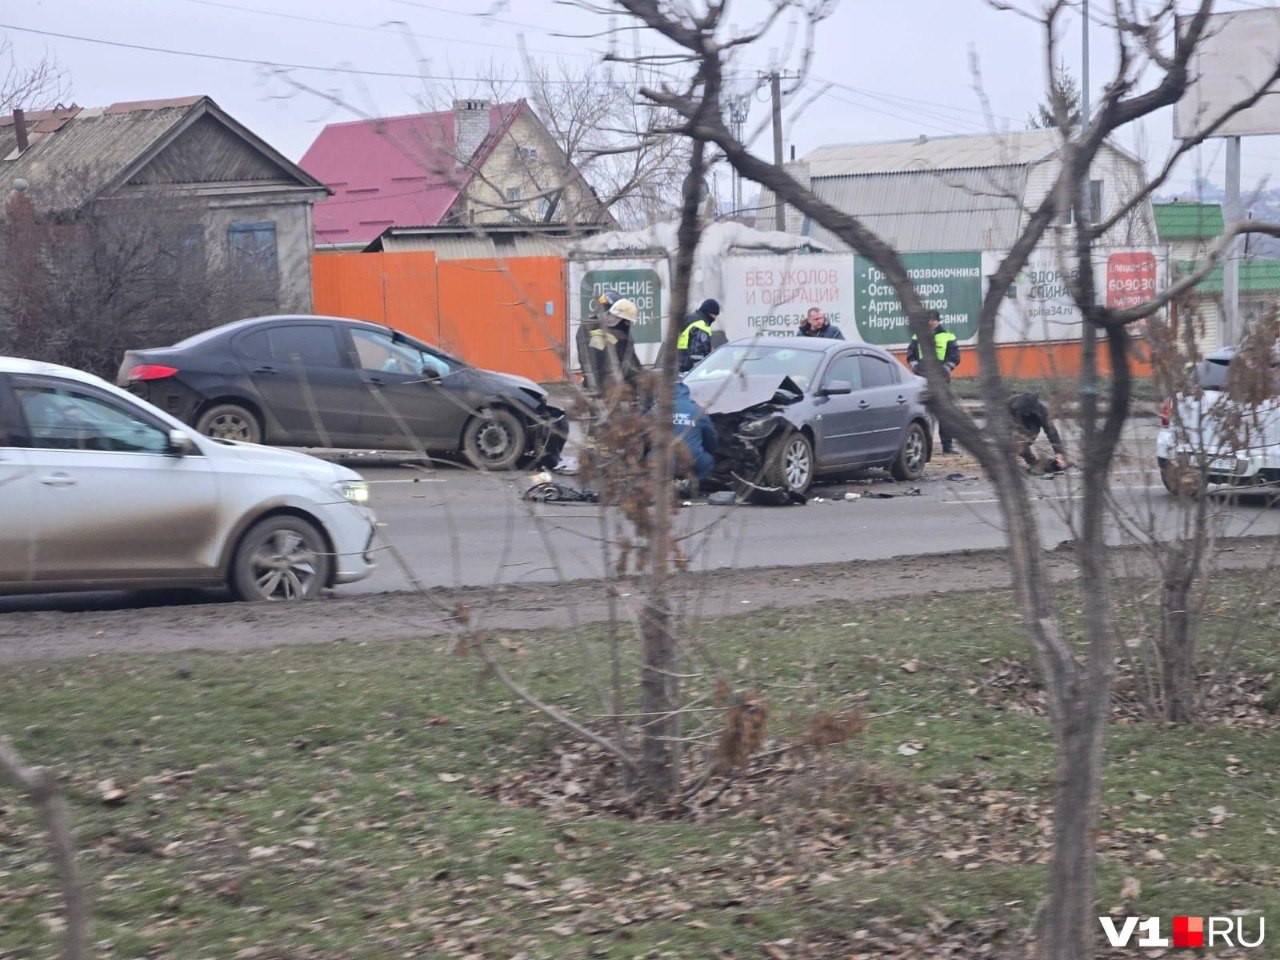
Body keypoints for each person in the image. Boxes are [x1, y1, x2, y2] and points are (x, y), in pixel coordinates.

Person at [906, 311, 961, 453]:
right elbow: (911, 355)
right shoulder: (918, 337)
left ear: (934, 320)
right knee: (925, 414)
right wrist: (916, 368)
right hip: (922, 381)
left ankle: (947, 446)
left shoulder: (948, 336)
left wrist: (944, 370)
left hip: (941, 382)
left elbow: (955, 358)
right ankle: (926, 447)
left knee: (945, 414)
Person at [577, 291, 641, 400]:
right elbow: (597, 362)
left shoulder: (617, 332)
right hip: (605, 391)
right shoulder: (591, 329)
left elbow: (631, 360)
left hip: (614, 388)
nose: (626, 324)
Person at [672, 380, 717, 491]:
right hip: (692, 459)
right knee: (708, 461)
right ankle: (689, 488)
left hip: (663, 460)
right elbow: (711, 438)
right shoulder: (698, 410)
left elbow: (643, 434)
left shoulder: (659, 409)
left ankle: (662, 488)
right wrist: (707, 451)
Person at [1008, 391, 1067, 473]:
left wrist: (1059, 453)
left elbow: (1052, 433)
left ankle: (1031, 462)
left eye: (1026, 411)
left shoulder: (1043, 412)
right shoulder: (1010, 403)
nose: (1024, 412)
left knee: (1023, 443)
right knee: (1014, 439)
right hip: (1012, 426)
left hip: (1031, 427)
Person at [677, 298, 719, 373]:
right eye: (715, 315)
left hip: (678, 367)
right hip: (690, 372)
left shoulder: (688, 319)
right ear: (709, 312)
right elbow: (697, 354)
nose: (715, 318)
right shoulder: (701, 326)